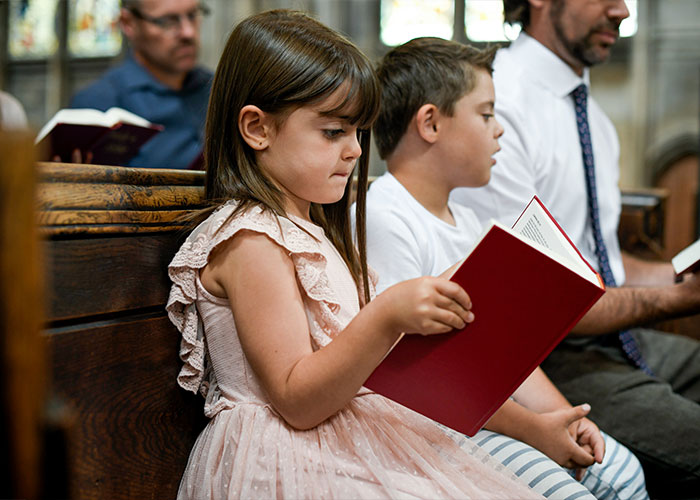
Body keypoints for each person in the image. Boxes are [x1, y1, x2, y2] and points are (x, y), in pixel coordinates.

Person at [166, 9, 543, 499]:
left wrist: (448, 288)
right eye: (332, 132)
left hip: (339, 433)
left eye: (358, 132)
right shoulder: (253, 240)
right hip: (285, 457)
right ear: (257, 128)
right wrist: (387, 315)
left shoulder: (307, 228)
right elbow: (296, 399)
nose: (356, 151)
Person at [364, 35, 647, 500]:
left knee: (625, 473)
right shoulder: (386, 214)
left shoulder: (471, 221)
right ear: (430, 123)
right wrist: (535, 431)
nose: (500, 131)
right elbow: (415, 375)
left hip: (485, 413)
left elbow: (509, 357)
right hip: (426, 426)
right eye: (487, 114)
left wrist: (566, 420)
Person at [450, 1, 700, 497]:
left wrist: (681, 273)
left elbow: (601, 260)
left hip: (613, 335)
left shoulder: (592, 116)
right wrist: (681, 299)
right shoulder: (497, 107)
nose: (623, 10)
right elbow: (531, 296)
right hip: (545, 355)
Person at [70, 0, 212, 169]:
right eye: (168, 21)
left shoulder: (218, 88)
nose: (188, 32)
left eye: (192, 15)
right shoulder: (96, 104)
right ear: (128, 23)